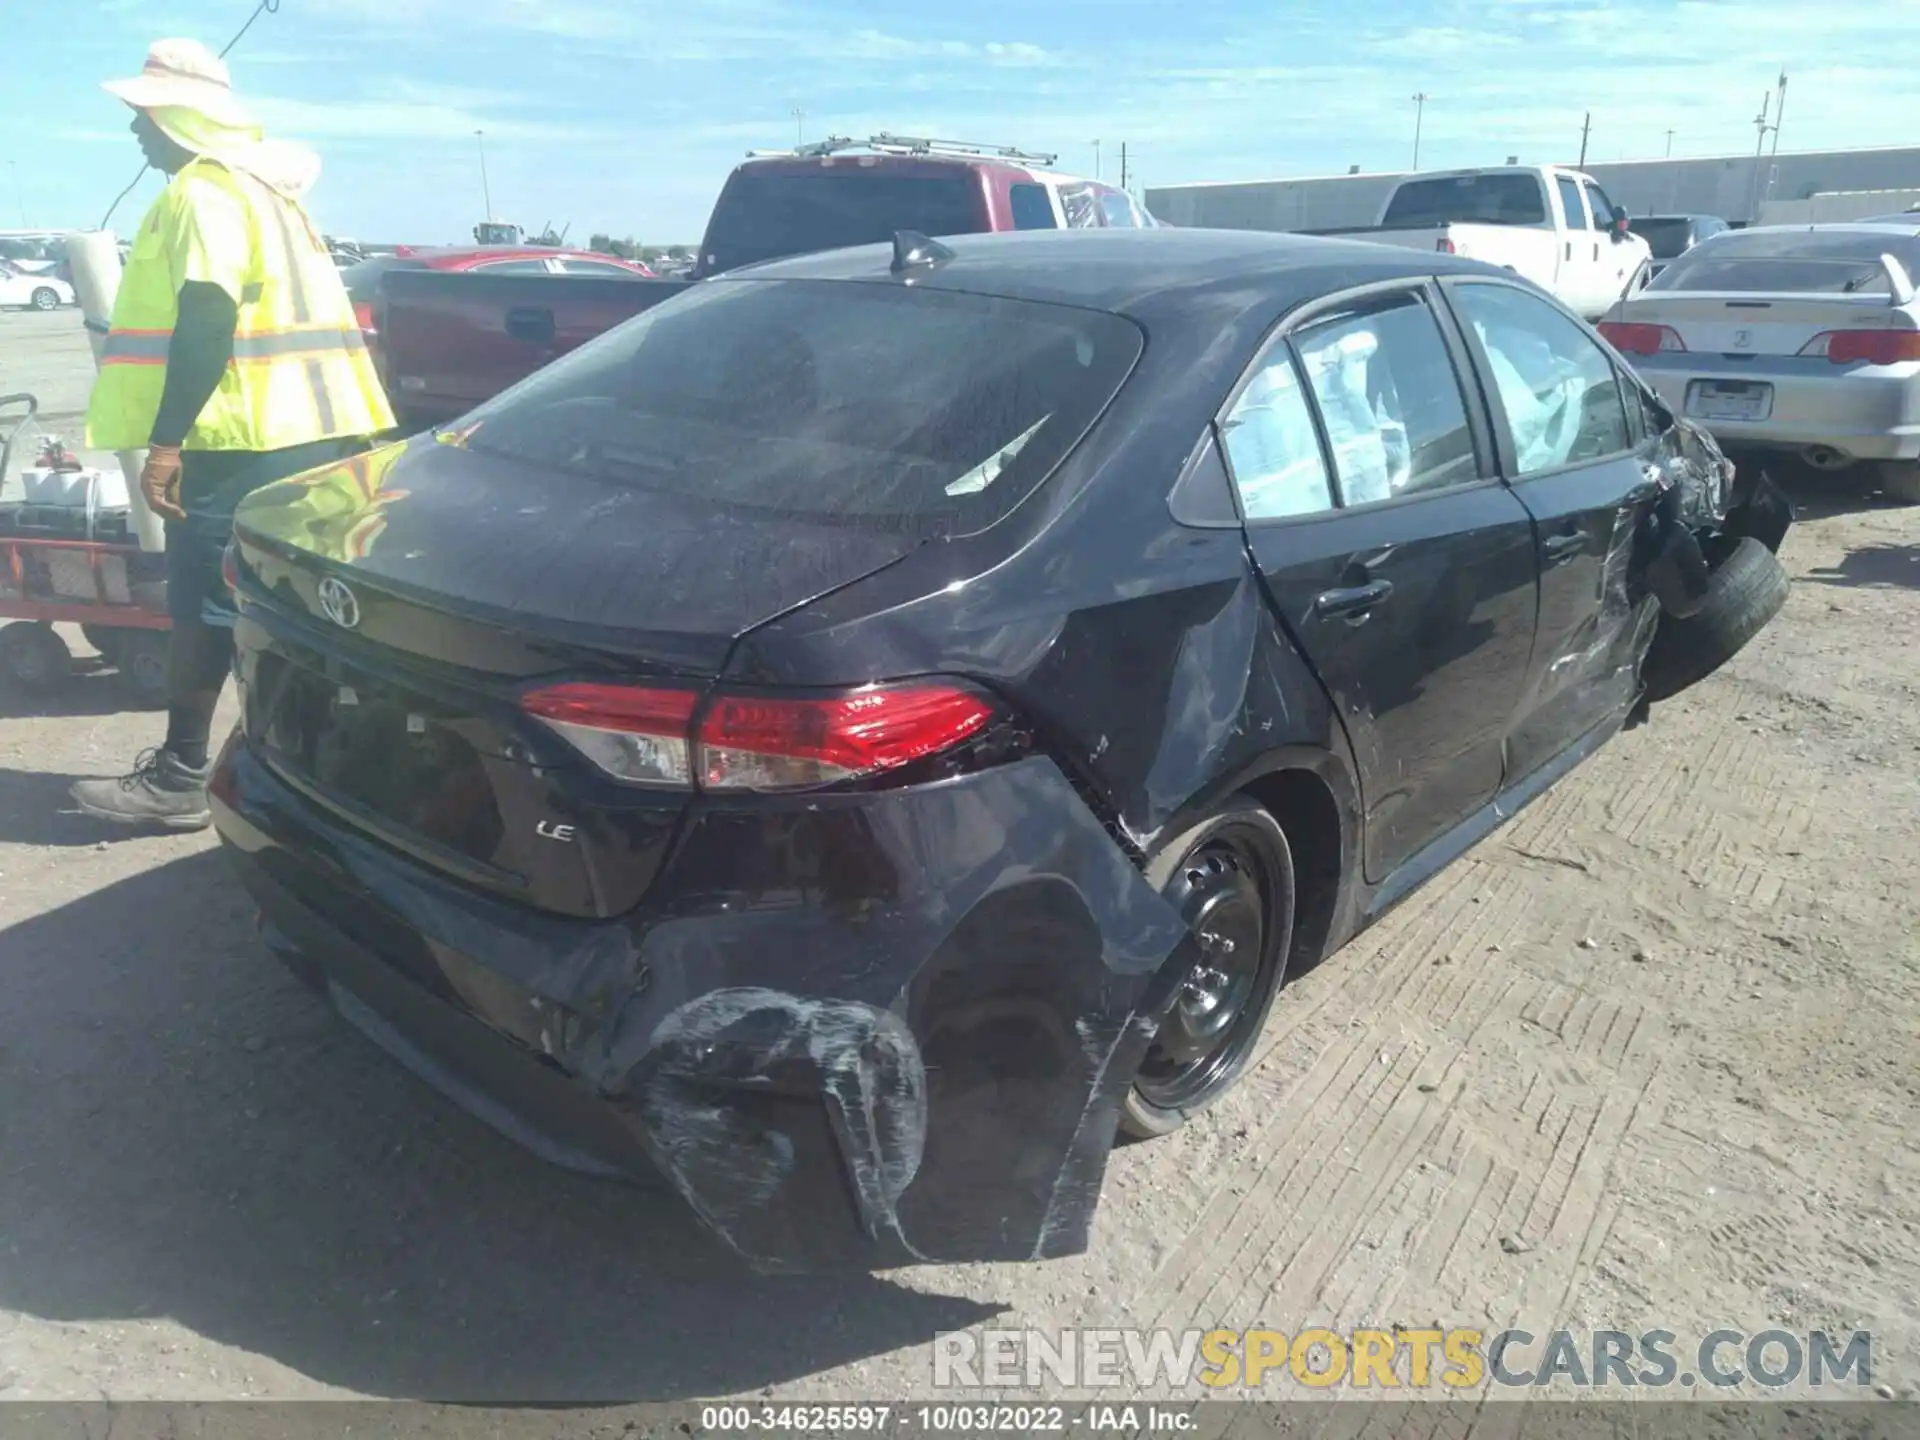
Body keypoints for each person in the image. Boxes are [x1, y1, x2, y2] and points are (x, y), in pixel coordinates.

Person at [70, 38, 394, 829]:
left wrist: (168, 442)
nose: (136, 131)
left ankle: (180, 778)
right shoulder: (269, 195)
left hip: (240, 439)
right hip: (320, 435)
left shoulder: (202, 193)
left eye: (143, 115)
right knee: (294, 611)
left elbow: (208, 316)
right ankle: (320, 775)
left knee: (206, 607)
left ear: (179, 115)